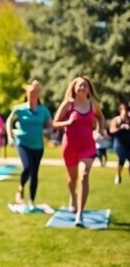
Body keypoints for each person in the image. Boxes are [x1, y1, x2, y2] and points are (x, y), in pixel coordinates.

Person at [53, 76, 106, 227]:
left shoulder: (93, 104)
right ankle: (72, 196)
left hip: (87, 146)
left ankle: (80, 214)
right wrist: (68, 122)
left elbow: (101, 118)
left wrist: (100, 130)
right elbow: (55, 123)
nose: (83, 88)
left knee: (84, 176)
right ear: (74, 88)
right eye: (80, 85)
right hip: (69, 146)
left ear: (89, 89)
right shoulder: (68, 104)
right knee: (72, 179)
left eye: (86, 86)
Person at [6, 80, 53, 209]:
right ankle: (20, 189)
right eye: (30, 92)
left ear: (38, 94)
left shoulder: (43, 110)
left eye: (35, 92)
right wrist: (10, 136)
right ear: (27, 94)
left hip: (38, 145)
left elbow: (51, 126)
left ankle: (32, 201)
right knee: (27, 167)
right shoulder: (19, 108)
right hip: (22, 143)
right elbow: (9, 121)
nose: (32, 94)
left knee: (35, 173)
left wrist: (46, 131)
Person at [109, 102, 130, 184]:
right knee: (121, 160)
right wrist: (121, 127)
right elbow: (111, 131)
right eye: (124, 110)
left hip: (129, 143)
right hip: (119, 144)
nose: (125, 112)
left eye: (127, 109)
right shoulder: (116, 120)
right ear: (120, 110)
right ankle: (118, 175)